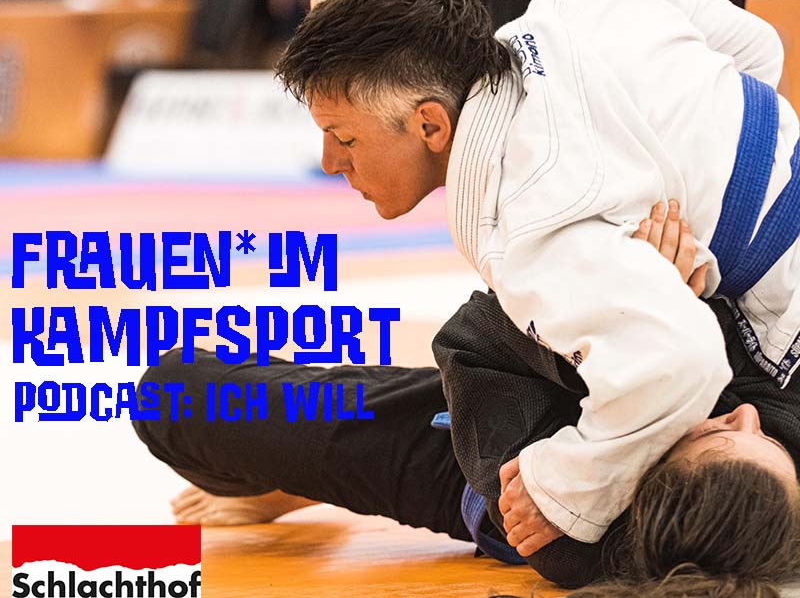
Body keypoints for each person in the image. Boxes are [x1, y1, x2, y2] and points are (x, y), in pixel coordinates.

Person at [275, 0, 800, 552]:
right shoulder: (570, 14)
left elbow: (683, 366)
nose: (330, 161)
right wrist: (708, 166)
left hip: (779, 348)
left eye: (345, 136)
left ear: (430, 123)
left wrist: (561, 492)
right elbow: (757, 49)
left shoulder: (533, 229)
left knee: (570, 542)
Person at [133, 211, 800, 593]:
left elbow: (476, 335)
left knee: (176, 396)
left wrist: (621, 309)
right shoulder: (780, 444)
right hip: (562, 394)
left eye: (709, 432)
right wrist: (660, 304)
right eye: (759, 436)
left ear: (636, 481)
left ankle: (301, 483)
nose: (744, 417)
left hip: (481, 444)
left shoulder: (568, 536)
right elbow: (746, 391)